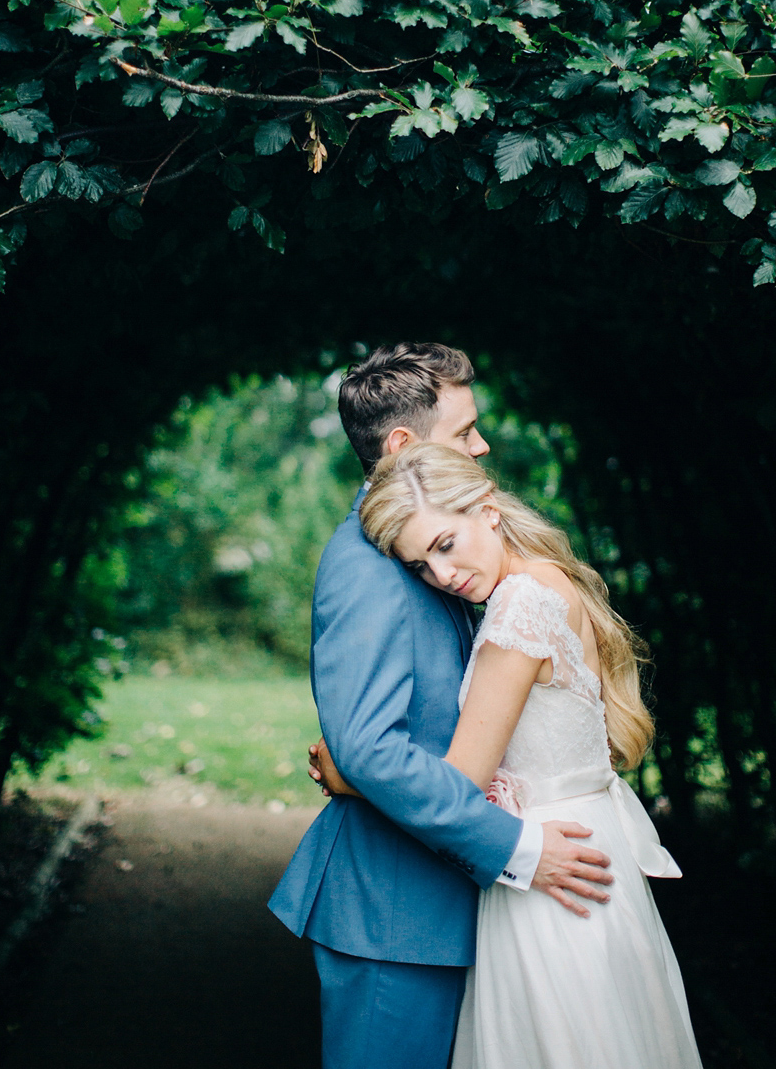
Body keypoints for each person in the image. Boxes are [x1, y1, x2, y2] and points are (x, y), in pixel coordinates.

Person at [268, 344, 614, 1069]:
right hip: (395, 917)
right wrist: (516, 850)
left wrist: (354, 774)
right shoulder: (366, 566)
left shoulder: (445, 553)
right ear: (402, 445)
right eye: (464, 432)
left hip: (456, 907)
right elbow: (369, 745)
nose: (482, 445)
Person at [349, 441, 703, 1069]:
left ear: (486, 508)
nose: (443, 575)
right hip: (591, 846)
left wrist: (355, 774)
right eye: (422, 566)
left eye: (444, 544)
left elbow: (460, 782)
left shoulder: (521, 604)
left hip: (553, 868)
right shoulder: (550, 580)